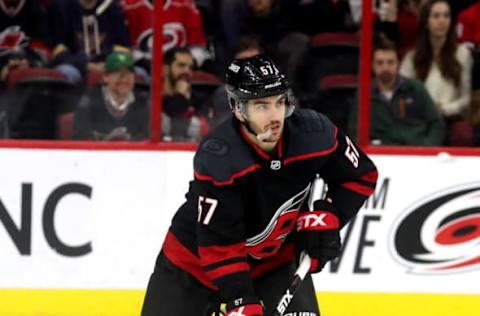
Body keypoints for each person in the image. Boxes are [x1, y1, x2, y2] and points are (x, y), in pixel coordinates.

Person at [141, 54, 378, 315]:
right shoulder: (220, 158)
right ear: (237, 108)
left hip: (272, 263)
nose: (275, 116)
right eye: (261, 106)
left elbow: (361, 176)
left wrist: (331, 215)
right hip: (192, 266)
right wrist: (241, 299)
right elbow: (219, 247)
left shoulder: (315, 134)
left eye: (279, 102)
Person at [349, 39, 445, 146]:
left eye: (390, 62)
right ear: (372, 66)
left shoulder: (415, 88)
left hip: (417, 152)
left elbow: (436, 124)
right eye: (380, 63)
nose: (385, 67)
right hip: (381, 154)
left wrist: (428, 147)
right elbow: (355, 133)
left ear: (398, 64)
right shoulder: (364, 94)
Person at [399, 0, 473, 120]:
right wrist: (427, 108)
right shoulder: (411, 59)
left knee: (463, 133)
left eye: (446, 16)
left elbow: (466, 99)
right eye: (436, 16)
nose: (442, 21)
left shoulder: (463, 54)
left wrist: (444, 109)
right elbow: (403, 97)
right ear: (426, 22)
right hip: (421, 118)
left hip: (450, 117)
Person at [73, 51, 149, 140]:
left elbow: (148, 135)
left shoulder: (143, 101)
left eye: (128, 73)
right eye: (117, 73)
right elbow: (81, 133)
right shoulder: (90, 100)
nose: (124, 79)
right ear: (105, 77)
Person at [162, 46, 209, 141]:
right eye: (181, 65)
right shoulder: (152, 99)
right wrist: (180, 96)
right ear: (165, 69)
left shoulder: (201, 100)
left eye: (190, 68)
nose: (187, 71)